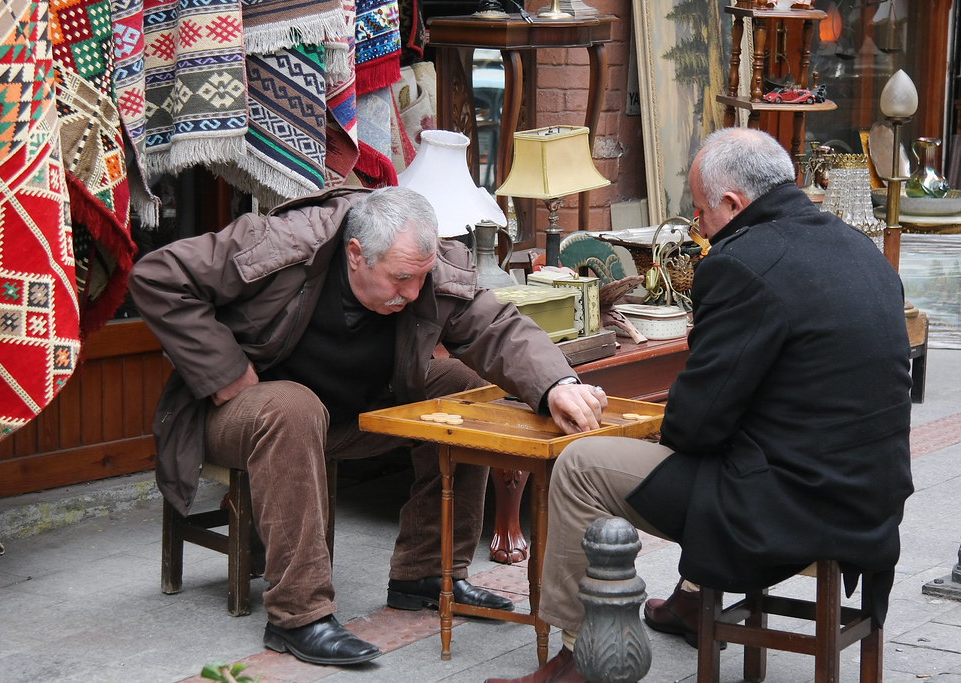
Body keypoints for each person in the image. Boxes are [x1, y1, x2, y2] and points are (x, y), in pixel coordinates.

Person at [486, 128, 914, 683]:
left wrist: (646, 426)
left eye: (700, 211)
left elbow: (696, 425)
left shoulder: (741, 262)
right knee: (726, 445)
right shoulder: (859, 246)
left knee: (580, 466)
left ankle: (577, 657)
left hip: (787, 505)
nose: (698, 226)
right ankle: (690, 600)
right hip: (871, 497)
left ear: (734, 204)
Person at [128, 185, 607, 667]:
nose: (414, 293)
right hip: (246, 412)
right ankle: (299, 614)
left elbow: (495, 326)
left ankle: (427, 572)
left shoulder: (422, 264)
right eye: (400, 280)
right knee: (294, 408)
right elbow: (157, 276)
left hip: (357, 410)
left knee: (460, 386)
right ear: (356, 254)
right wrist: (223, 369)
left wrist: (556, 384)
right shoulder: (280, 243)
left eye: (420, 280)